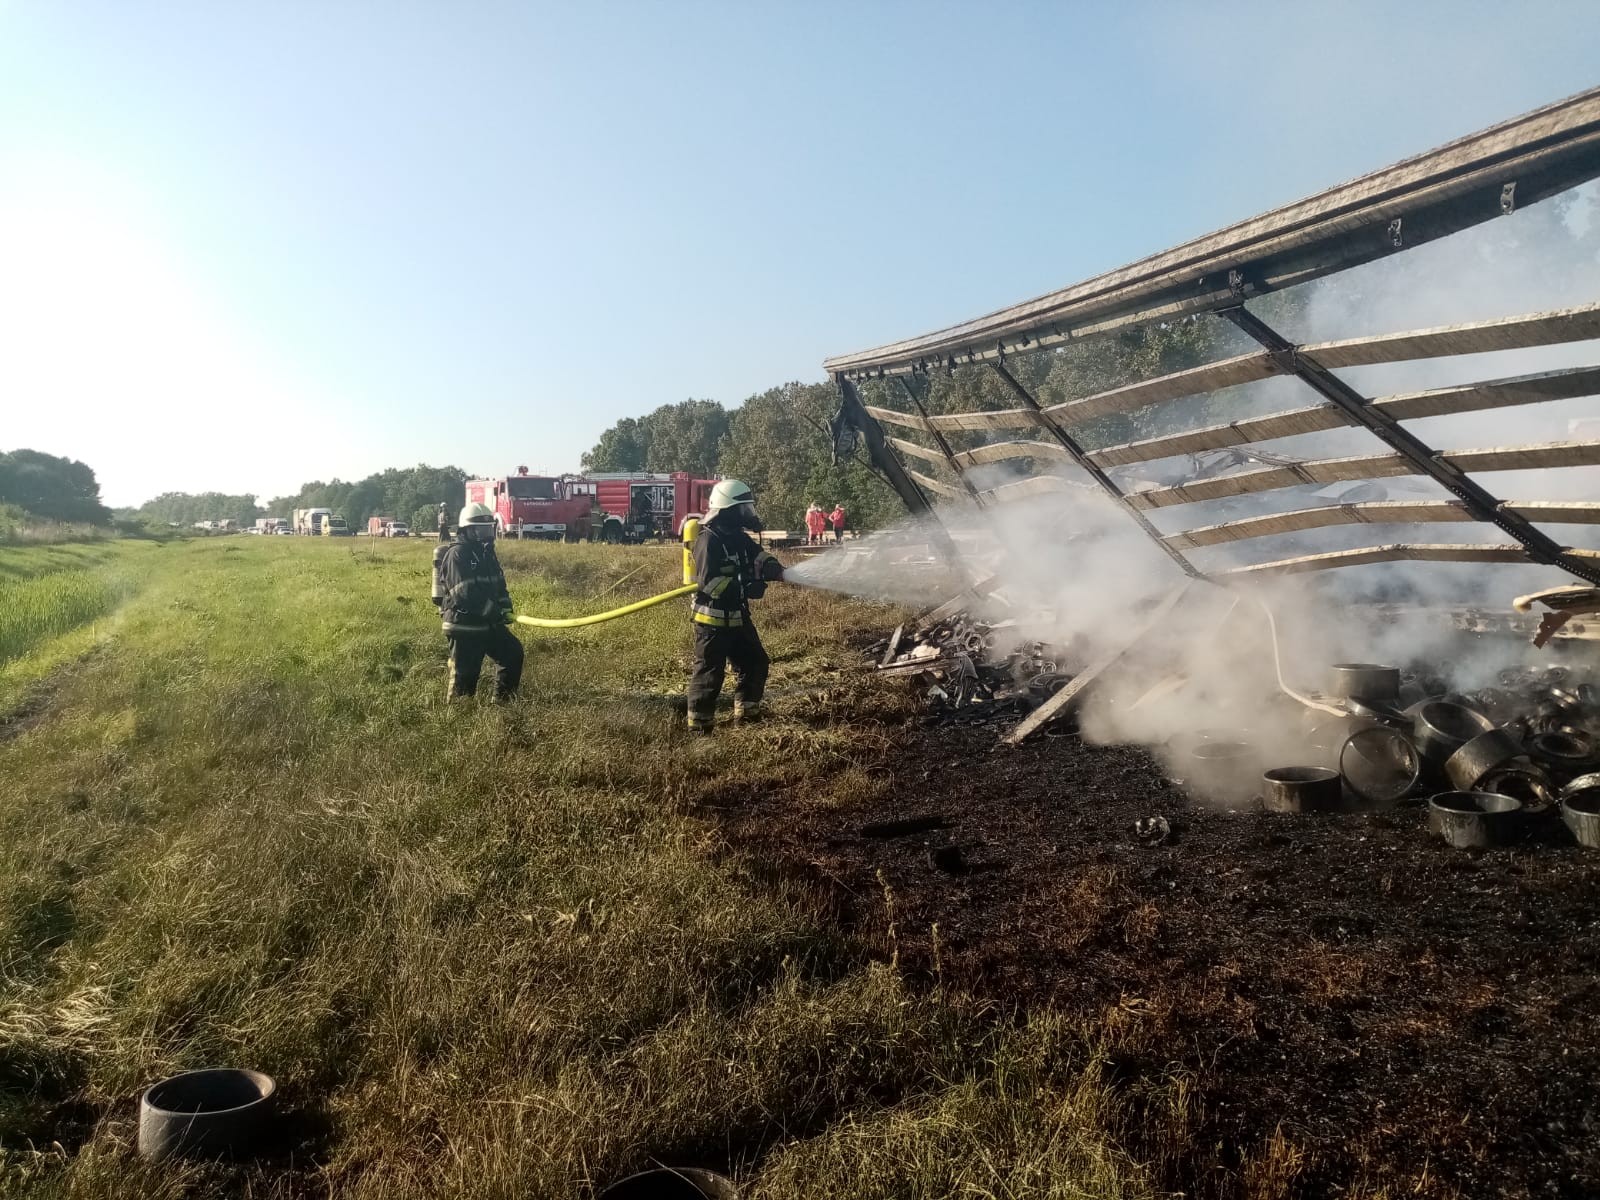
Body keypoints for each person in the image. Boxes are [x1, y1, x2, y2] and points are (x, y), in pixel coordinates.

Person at [686, 479, 784, 735]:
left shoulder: (738, 538)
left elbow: (758, 555)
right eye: (743, 509)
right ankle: (700, 728)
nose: (748, 514)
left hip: (738, 618)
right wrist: (745, 588)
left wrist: (775, 568)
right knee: (709, 674)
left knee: (755, 662)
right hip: (712, 624)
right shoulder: (709, 541)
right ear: (727, 511)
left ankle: (747, 715)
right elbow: (710, 583)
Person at [431, 503, 524, 702]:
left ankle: (503, 705)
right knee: (466, 676)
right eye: (482, 528)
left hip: (488, 622)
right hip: (464, 624)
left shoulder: (486, 553)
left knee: (512, 654)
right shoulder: (457, 554)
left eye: (489, 527)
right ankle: (459, 717)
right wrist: (493, 612)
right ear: (469, 530)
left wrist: (505, 606)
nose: (487, 532)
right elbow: (463, 593)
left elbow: (499, 583)